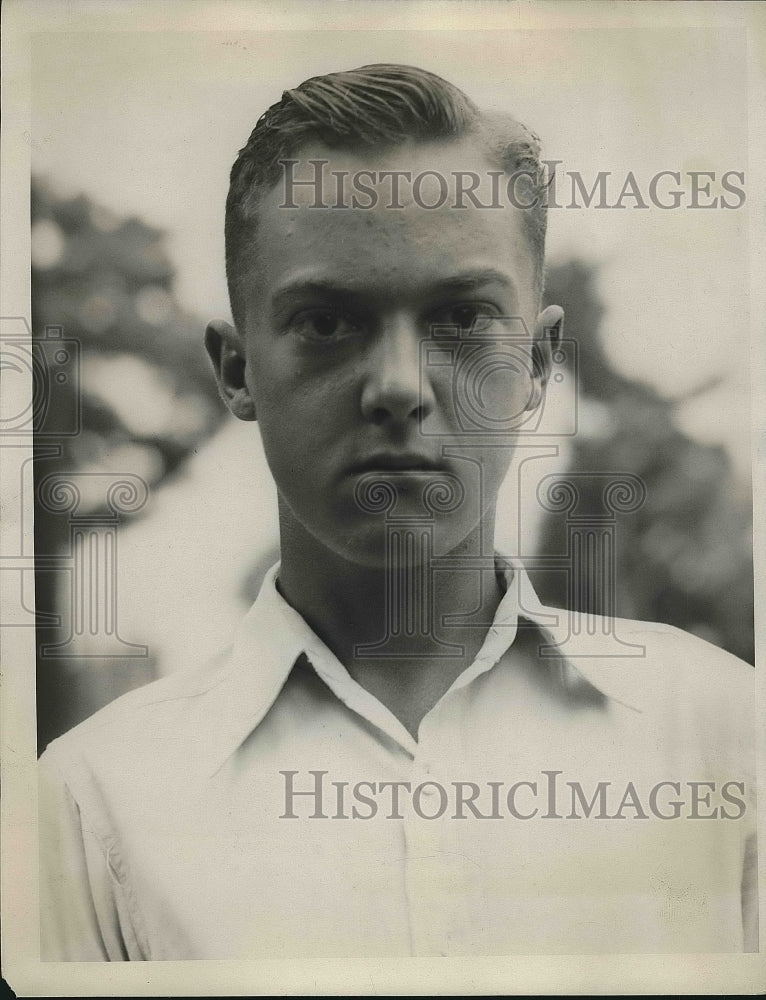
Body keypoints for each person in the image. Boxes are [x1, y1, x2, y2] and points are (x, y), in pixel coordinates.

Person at [38, 64, 757, 960]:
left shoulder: (731, 741)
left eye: (461, 317)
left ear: (536, 364)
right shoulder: (89, 804)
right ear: (235, 370)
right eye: (328, 324)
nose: (398, 387)